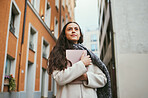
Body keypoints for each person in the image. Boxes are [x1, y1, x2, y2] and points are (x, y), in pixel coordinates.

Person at [47, 22, 111, 98]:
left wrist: (86, 77)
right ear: (64, 34)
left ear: (80, 34)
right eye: (69, 29)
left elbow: (103, 79)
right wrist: (82, 64)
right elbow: (59, 79)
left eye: (76, 29)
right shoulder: (58, 54)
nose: (73, 31)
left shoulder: (89, 55)